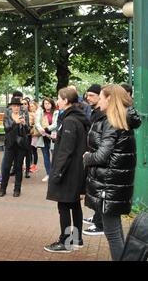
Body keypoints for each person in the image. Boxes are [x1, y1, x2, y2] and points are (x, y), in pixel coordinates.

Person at [84, 84, 141, 261]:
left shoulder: (112, 122)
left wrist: (87, 157)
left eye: (101, 97)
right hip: (114, 184)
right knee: (115, 231)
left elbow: (101, 155)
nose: (98, 101)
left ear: (109, 99)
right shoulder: (121, 120)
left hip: (108, 185)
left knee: (113, 233)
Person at [43, 88, 90, 253]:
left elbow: (66, 150)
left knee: (63, 205)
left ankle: (66, 241)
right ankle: (76, 240)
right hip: (76, 169)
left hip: (68, 171)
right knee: (74, 204)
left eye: (59, 98)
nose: (57, 101)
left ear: (66, 100)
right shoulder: (77, 118)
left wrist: (56, 172)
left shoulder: (70, 120)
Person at [82, 84, 105, 236]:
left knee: (100, 190)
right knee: (95, 189)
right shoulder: (95, 112)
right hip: (94, 156)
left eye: (92, 95)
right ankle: (97, 218)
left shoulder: (103, 115)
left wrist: (91, 155)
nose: (88, 98)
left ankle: (100, 223)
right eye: (87, 95)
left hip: (98, 158)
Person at [0, 97, 30, 197]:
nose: (16, 108)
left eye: (18, 106)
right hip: (10, 144)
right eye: (14, 106)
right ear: (11, 107)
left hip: (21, 144)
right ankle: (2, 189)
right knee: (6, 167)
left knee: (18, 167)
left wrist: (25, 124)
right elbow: (6, 128)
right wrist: (15, 122)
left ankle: (17, 189)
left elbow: (28, 130)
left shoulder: (24, 114)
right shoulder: (7, 116)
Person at [34, 97, 59, 182]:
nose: (46, 105)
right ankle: (48, 174)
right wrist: (41, 130)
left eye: (48, 103)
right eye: (45, 103)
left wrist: (47, 129)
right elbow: (37, 123)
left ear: (52, 104)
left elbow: (56, 124)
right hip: (43, 136)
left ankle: (55, 174)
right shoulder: (40, 112)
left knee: (55, 155)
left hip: (53, 136)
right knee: (45, 156)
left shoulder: (56, 112)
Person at [28, 100, 39, 174]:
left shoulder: (37, 114)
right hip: (29, 134)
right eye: (30, 106)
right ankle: (29, 164)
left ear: (35, 106)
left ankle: (34, 165)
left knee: (34, 150)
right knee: (29, 150)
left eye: (32, 106)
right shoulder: (28, 113)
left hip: (34, 134)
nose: (31, 107)